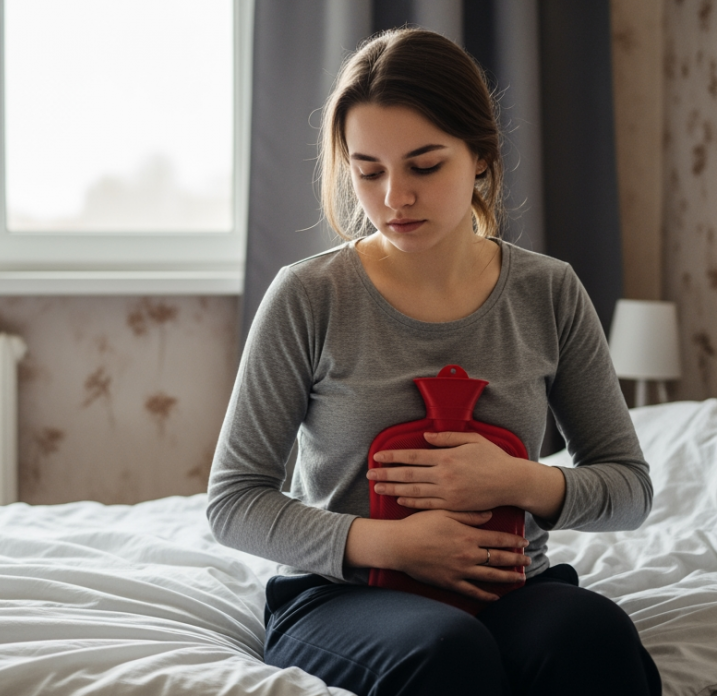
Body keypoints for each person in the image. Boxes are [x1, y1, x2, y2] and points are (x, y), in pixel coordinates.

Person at [207, 28, 661, 696]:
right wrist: (389, 545)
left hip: (512, 590)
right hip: (343, 597)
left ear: (480, 156)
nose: (394, 197)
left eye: (424, 166)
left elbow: (630, 488)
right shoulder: (308, 296)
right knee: (447, 652)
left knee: (595, 637)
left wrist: (519, 482)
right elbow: (233, 501)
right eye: (368, 171)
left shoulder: (549, 290)